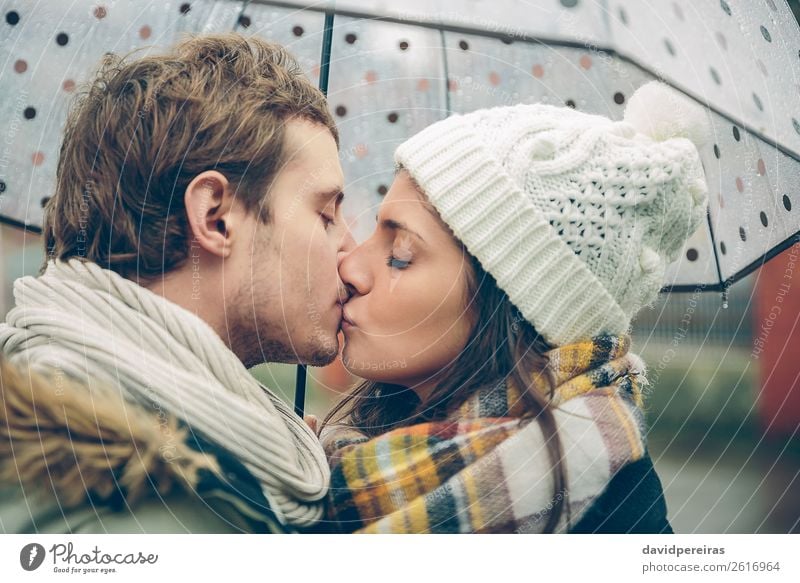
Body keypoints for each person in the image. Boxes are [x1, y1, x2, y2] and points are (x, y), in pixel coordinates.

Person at [0, 33, 355, 533]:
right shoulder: (92, 482)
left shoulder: (211, 458)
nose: (352, 252)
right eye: (326, 214)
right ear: (215, 217)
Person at [318, 81, 710, 533]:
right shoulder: (346, 468)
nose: (350, 267)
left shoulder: (611, 530)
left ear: (515, 302)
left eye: (401, 254)